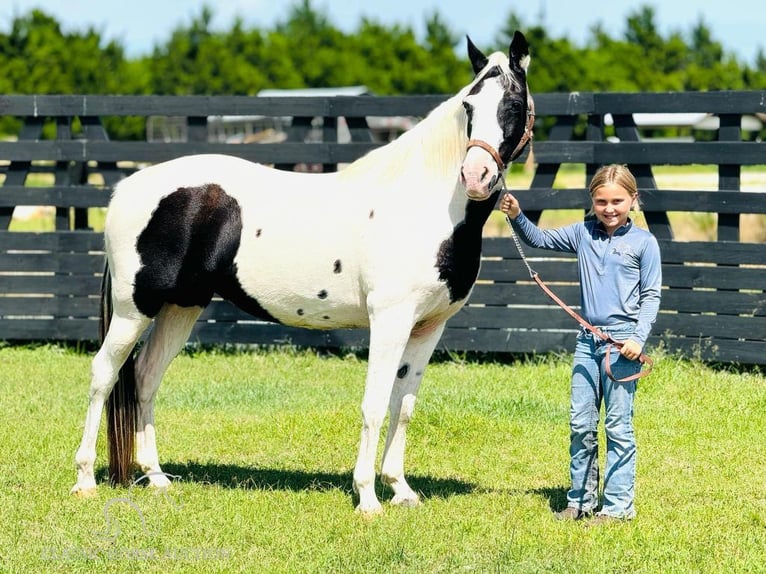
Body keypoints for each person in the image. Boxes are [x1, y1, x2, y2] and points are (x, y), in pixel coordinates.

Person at [500, 164, 662, 525]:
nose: (609, 208)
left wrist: (638, 338)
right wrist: (516, 215)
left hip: (622, 350)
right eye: (601, 201)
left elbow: (651, 296)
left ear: (633, 200)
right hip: (587, 345)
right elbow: (539, 239)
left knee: (618, 427)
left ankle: (617, 508)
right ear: (592, 201)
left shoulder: (644, 244)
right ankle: (581, 501)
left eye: (617, 201)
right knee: (580, 424)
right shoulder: (582, 234)